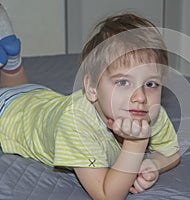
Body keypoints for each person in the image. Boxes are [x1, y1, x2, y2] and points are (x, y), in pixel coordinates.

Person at [0, 4, 180, 200]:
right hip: (8, 115)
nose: (141, 97)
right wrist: (135, 145)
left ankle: (12, 62)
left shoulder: (147, 111)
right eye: (123, 82)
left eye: (151, 83)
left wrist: (154, 163)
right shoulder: (76, 123)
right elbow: (107, 195)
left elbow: (172, 152)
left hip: (38, 96)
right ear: (92, 89)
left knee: (20, 89)